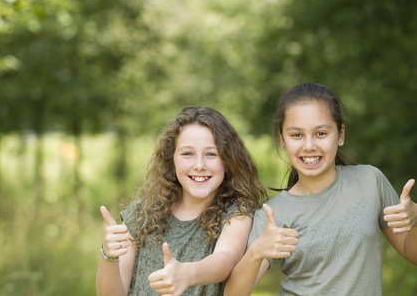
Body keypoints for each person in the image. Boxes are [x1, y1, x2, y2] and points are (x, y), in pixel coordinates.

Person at [224, 82, 417, 295]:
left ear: (340, 134)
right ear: (283, 140)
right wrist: (255, 253)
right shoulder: (273, 214)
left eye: (321, 133)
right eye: (296, 135)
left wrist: (416, 220)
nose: (309, 146)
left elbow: (412, 254)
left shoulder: (370, 181)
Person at [96, 106, 268, 296]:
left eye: (211, 154)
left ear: (227, 162)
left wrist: (186, 274)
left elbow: (225, 259)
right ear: (172, 160)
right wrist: (108, 256)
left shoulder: (237, 214)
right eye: (188, 154)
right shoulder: (142, 213)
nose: (200, 165)